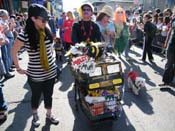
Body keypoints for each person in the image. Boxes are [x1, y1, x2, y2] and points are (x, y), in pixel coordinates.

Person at [12, 4, 59, 127]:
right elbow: (14, 51)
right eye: (43, 19)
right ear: (33, 18)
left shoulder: (46, 28)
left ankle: (49, 114)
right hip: (35, 74)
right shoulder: (25, 34)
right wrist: (18, 68)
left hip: (50, 71)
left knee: (49, 95)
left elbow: (50, 48)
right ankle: (35, 114)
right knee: (36, 96)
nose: (46, 22)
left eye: (47, 19)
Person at [159, 7, 175, 86]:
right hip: (171, 44)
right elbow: (170, 31)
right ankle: (166, 81)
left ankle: (172, 80)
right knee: (169, 63)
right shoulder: (173, 19)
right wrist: (166, 42)